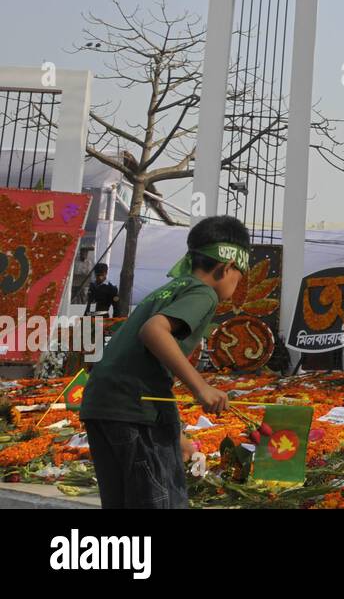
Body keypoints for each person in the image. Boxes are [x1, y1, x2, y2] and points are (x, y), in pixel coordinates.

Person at [79, 215, 249, 508]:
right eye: (240, 276)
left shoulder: (167, 290)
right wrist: (201, 388)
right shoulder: (203, 293)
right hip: (133, 410)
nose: (238, 283)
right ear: (227, 267)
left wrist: (176, 435)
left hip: (102, 405)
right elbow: (153, 332)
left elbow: (145, 365)